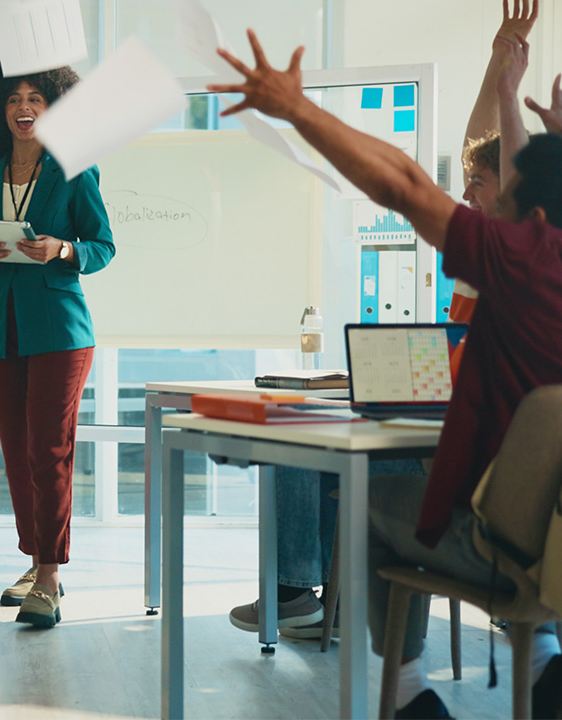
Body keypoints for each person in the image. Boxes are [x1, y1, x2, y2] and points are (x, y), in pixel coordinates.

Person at [210, 28, 562, 719]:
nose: (487, 204)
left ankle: (405, 694)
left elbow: (403, 182)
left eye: (505, 194)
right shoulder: (545, 251)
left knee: (370, 501)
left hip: (497, 544)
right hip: (555, 545)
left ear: (532, 219)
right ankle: (547, 660)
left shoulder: (522, 262)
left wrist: (299, 109)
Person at [0, 62, 115, 628]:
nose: (24, 107)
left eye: (36, 98)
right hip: (3, 330)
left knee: (49, 451)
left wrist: (64, 249)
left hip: (60, 333)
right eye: (13, 99)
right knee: (19, 456)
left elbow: (103, 246)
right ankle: (34, 557)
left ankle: (49, 575)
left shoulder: (74, 170)